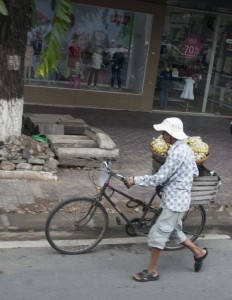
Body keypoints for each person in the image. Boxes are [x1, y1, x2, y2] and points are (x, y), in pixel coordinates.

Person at [125, 117, 208, 282]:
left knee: (157, 234)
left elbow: (159, 178)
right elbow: (194, 172)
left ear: (171, 134)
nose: (162, 135)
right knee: (176, 232)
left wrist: (135, 180)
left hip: (175, 202)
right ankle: (199, 252)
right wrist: (177, 179)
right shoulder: (184, 149)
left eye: (164, 132)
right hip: (178, 199)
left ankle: (152, 271)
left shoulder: (177, 153)